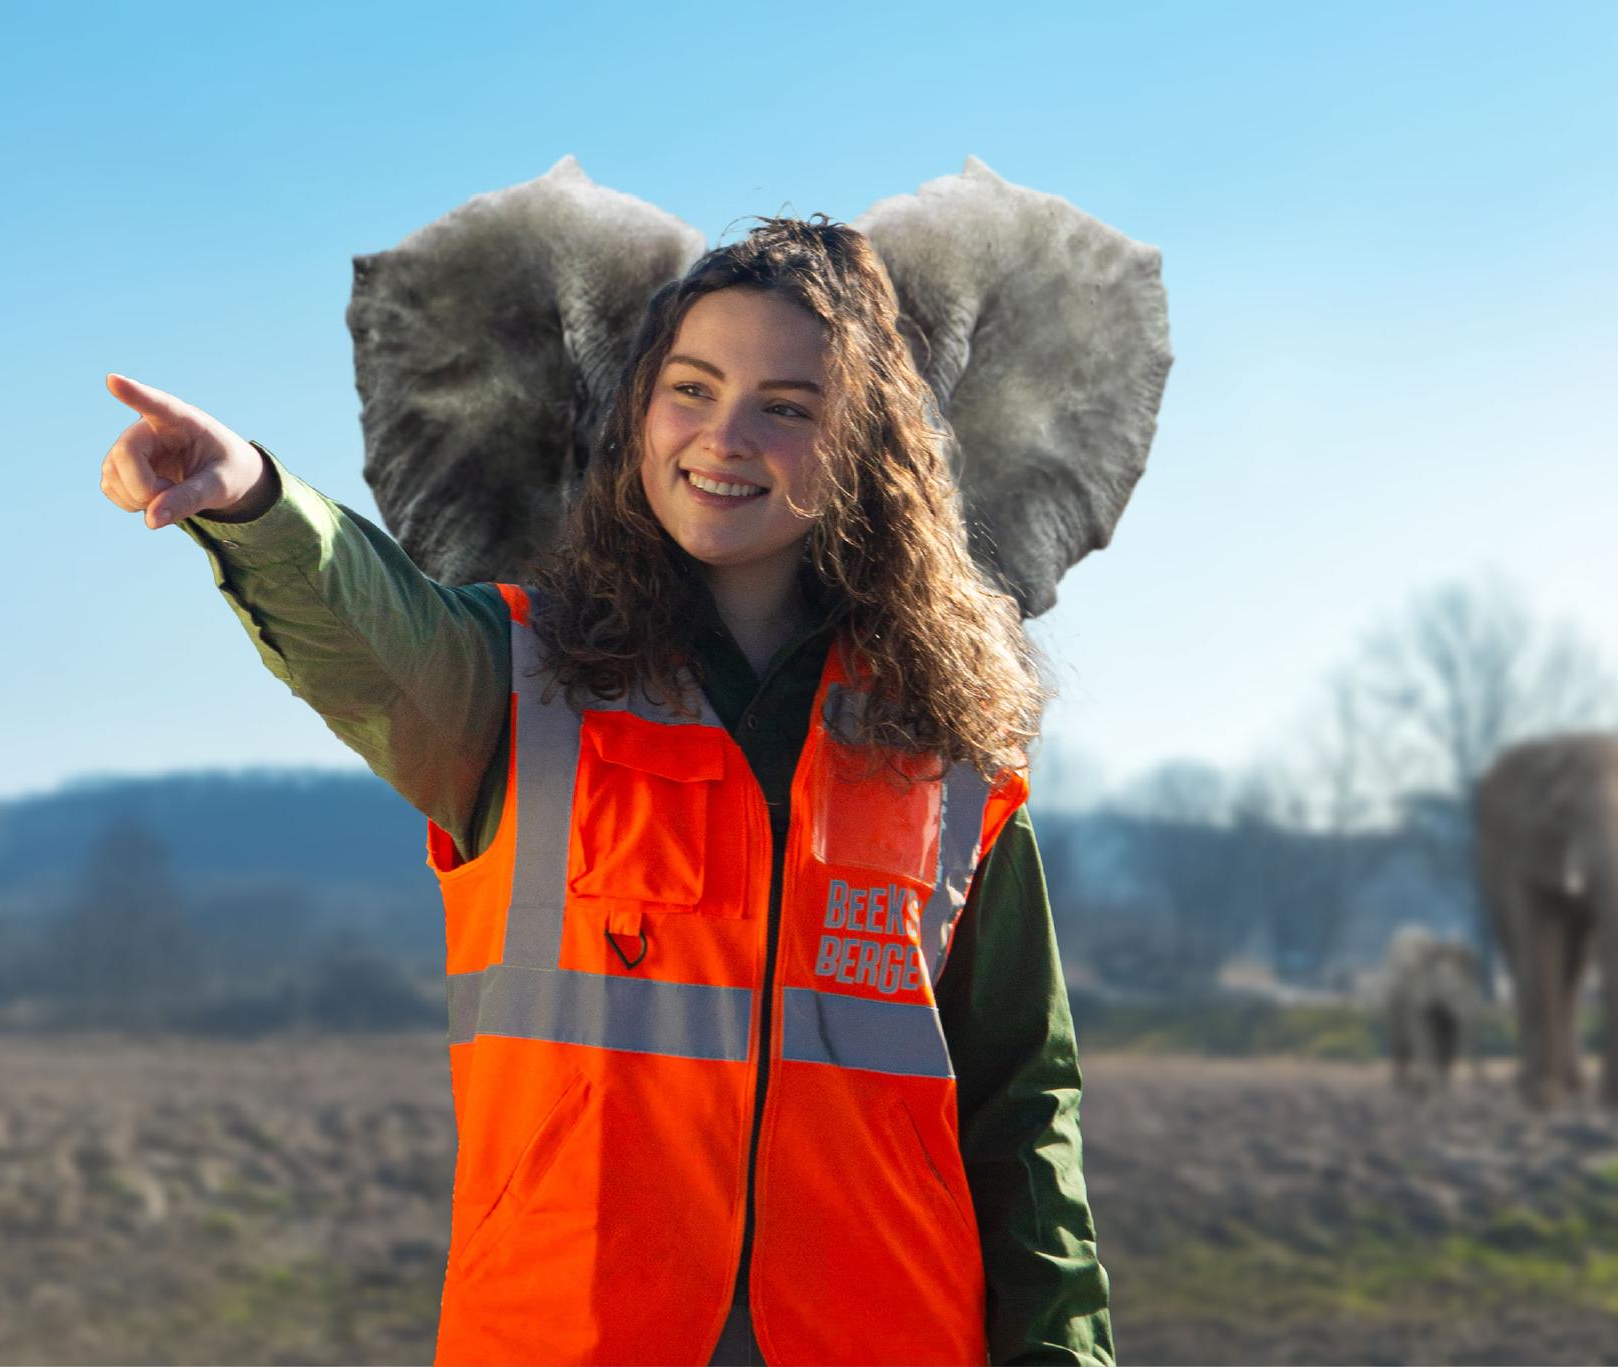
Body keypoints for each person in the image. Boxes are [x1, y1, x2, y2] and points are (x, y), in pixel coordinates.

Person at [99, 217, 1110, 1366]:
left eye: (786, 405)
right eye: (692, 387)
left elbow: (1024, 1104)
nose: (723, 436)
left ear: (863, 448)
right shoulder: (512, 684)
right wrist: (260, 504)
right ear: (640, 411)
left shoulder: (949, 743)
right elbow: (374, 632)